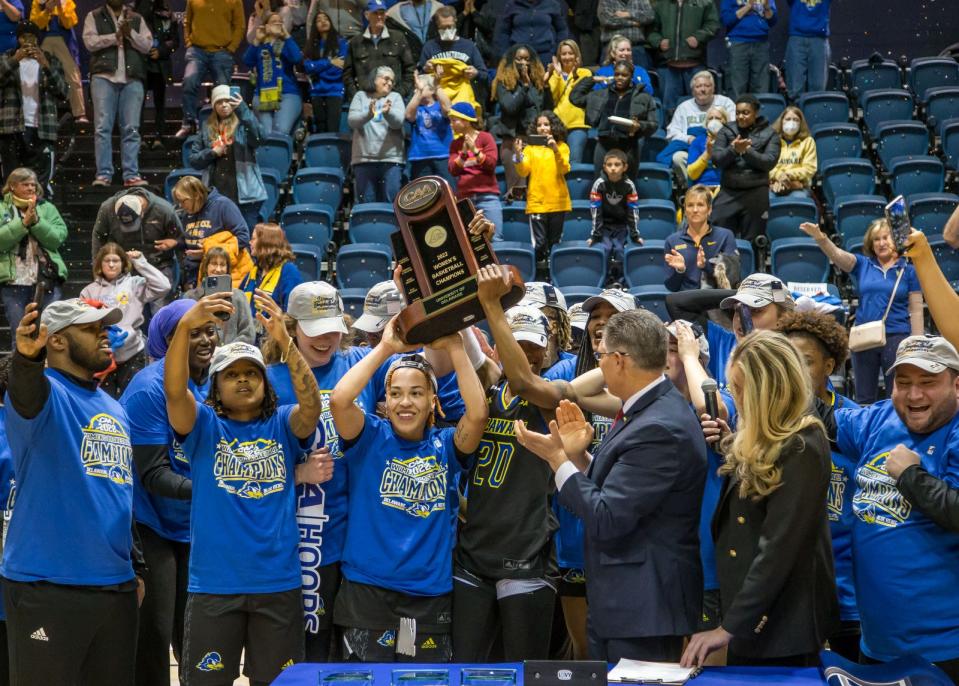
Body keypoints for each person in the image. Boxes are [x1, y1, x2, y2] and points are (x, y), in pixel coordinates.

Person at [516, 308, 706, 663]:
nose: (598, 364)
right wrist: (577, 458)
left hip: (644, 610)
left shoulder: (659, 427)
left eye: (601, 357)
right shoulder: (649, 408)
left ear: (620, 361)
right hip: (626, 603)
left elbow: (606, 515)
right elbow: (620, 491)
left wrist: (557, 460)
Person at [166, 292, 328, 686]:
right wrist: (186, 326)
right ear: (216, 387)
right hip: (214, 588)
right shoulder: (203, 427)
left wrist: (287, 345)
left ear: (265, 382)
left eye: (251, 372)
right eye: (231, 374)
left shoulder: (284, 423)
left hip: (278, 584)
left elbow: (312, 409)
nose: (242, 379)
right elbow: (174, 392)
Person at [4, 298, 143, 685]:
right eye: (92, 329)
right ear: (58, 341)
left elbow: (119, 491)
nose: (105, 335)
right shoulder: (44, 393)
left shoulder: (115, 408)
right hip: (48, 585)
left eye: (105, 327)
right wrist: (28, 361)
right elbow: (26, 393)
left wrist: (137, 566)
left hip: (115, 586)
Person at [329, 322, 487, 662]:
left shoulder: (445, 446)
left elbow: (477, 414)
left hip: (428, 596)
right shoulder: (370, 437)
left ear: (433, 401)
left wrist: (457, 348)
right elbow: (340, 400)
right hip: (367, 593)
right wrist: (385, 349)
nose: (405, 402)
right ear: (385, 401)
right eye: (396, 393)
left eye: (416, 393)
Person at [682, 330, 837, 667]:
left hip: (782, 622)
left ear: (769, 390)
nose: (736, 398)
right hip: (752, 611)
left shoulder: (803, 443)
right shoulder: (761, 436)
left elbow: (778, 548)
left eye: (741, 389)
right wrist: (732, 444)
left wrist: (729, 627)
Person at [828, 335, 959, 681]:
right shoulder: (878, 418)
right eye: (904, 383)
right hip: (876, 643)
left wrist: (911, 476)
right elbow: (819, 419)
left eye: (928, 383)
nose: (914, 395)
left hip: (945, 649)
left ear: (956, 384)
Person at [455, 276, 566, 662]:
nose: (528, 355)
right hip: (475, 550)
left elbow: (522, 379)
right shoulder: (486, 388)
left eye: (534, 347)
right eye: (517, 346)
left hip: (527, 553)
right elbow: (463, 341)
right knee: (469, 669)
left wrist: (493, 308)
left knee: (524, 672)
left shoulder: (554, 395)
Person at [119, 299, 214, 686]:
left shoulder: (218, 379)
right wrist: (219, 488)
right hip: (150, 525)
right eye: (194, 333)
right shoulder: (148, 388)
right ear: (169, 340)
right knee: (154, 638)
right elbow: (153, 474)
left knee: (196, 638)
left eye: (210, 330)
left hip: (195, 523)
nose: (207, 339)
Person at [775, 310, 861, 660]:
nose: (795, 370)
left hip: (847, 588)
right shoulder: (766, 422)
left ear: (829, 366)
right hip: (786, 586)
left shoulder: (855, 421)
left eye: (806, 361)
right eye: (788, 360)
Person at [798, 218, 923, 404]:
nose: (881, 243)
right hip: (865, 337)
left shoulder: (909, 270)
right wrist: (821, 238)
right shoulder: (864, 265)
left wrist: (917, 343)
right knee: (864, 397)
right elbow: (837, 255)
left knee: (897, 394)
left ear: (896, 239)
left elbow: (917, 309)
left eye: (886, 238)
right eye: (876, 239)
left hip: (898, 337)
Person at [81, 242, 171, 397]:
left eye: (115, 260)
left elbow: (164, 286)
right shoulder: (89, 291)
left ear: (123, 263)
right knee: (104, 400)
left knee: (132, 396)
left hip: (133, 353)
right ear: (99, 264)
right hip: (103, 355)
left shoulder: (134, 284)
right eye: (106, 260)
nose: (111, 265)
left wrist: (141, 262)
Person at [82, 0, 153, 188]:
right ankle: (104, 174)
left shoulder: (136, 18)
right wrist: (115, 37)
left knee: (131, 129)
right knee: (102, 128)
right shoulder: (94, 16)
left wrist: (130, 33)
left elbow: (147, 45)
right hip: (103, 77)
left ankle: (131, 174)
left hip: (132, 78)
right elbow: (90, 42)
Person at [0, 167, 67, 348]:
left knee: (51, 332)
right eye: (25, 184)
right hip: (14, 282)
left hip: (46, 280)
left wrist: (36, 222)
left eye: (33, 184)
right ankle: (21, 375)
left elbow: (57, 238)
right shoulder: (1, 207)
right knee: (20, 336)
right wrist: (22, 224)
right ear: (13, 186)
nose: (31, 188)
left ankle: (49, 374)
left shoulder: (47, 207)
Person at [188, 85, 268, 232]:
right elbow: (193, 160)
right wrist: (212, 152)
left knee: (246, 240)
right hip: (215, 195)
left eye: (227, 100)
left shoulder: (244, 124)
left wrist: (242, 109)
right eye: (219, 102)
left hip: (245, 195)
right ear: (213, 105)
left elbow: (260, 138)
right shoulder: (207, 127)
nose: (224, 105)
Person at [0, 22, 68, 191]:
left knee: (39, 185)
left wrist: (45, 64)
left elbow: (63, 92)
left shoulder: (51, 60)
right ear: (18, 39)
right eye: (24, 37)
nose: (28, 41)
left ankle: (37, 215)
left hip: (42, 129)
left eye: (32, 37)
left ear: (38, 39)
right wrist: (15, 60)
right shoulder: (6, 58)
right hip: (11, 128)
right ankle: (12, 216)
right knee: (10, 183)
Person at [710, 94, 780, 243]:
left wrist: (746, 151)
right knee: (718, 236)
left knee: (754, 240)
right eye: (737, 113)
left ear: (756, 113)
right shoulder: (726, 130)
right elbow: (716, 160)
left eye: (745, 113)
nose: (740, 116)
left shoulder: (770, 134)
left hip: (756, 192)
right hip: (729, 191)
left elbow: (769, 162)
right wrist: (733, 150)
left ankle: (753, 266)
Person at [570, 60, 658, 173]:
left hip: (629, 146)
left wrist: (640, 126)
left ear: (631, 76)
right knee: (600, 182)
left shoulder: (644, 97)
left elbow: (654, 124)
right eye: (617, 74)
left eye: (624, 75)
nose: (620, 77)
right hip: (604, 144)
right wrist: (591, 80)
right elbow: (575, 98)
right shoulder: (601, 94)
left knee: (627, 185)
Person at [91, 187, 183, 296]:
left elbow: (182, 238)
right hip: (124, 269)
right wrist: (98, 272)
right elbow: (98, 237)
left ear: (142, 212)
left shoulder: (164, 209)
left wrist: (175, 242)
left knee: (160, 308)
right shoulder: (107, 208)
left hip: (159, 266)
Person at [176, 0, 245, 138]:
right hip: (197, 51)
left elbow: (240, 26)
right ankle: (189, 123)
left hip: (222, 51)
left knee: (223, 90)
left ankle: (224, 127)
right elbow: (187, 22)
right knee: (189, 81)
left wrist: (231, 48)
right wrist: (189, 43)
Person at [172, 174, 253, 290]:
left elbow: (243, 237)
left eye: (184, 201)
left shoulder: (223, 205)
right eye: (179, 201)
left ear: (197, 195)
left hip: (225, 275)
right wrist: (175, 243)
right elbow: (189, 241)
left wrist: (208, 252)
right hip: (196, 275)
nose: (181, 205)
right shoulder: (186, 213)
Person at [489, 44, 549, 198]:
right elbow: (510, 107)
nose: (523, 63)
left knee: (537, 191)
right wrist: (524, 87)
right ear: (511, 61)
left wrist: (543, 85)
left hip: (534, 140)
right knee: (518, 191)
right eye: (519, 59)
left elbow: (540, 108)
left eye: (527, 59)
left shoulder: (538, 83)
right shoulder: (504, 83)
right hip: (513, 142)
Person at [514, 110, 571, 272]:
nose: (543, 128)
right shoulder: (531, 149)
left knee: (555, 243)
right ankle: (540, 276)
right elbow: (523, 171)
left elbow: (564, 169)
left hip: (558, 202)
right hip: (537, 202)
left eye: (546, 124)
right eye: (539, 125)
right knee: (539, 244)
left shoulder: (562, 147)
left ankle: (555, 276)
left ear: (553, 126)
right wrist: (517, 154)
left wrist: (555, 149)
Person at [648, 0, 722, 113]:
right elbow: (651, 29)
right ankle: (671, 129)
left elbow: (713, 24)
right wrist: (659, 41)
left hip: (696, 64)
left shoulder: (705, 2)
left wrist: (698, 37)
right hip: (669, 65)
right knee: (669, 108)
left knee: (701, 104)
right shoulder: (661, 3)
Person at [349, 65, 406, 204]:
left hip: (391, 160)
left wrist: (388, 113)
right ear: (374, 79)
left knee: (391, 205)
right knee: (366, 205)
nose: (390, 83)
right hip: (364, 160)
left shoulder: (395, 97)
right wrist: (369, 113)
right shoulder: (360, 96)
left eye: (392, 81)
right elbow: (352, 122)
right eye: (386, 79)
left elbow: (398, 122)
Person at [664, 184, 738, 292]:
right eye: (690, 205)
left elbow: (732, 277)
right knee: (671, 301)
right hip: (688, 300)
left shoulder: (725, 236)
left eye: (700, 205)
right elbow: (671, 287)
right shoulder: (672, 241)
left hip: (716, 299)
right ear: (685, 210)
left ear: (709, 209)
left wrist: (706, 265)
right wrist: (680, 270)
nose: (695, 210)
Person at [663, 71, 735, 179]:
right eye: (698, 86)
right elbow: (671, 133)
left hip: (721, 147)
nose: (703, 89)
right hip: (693, 150)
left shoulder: (726, 102)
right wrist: (689, 139)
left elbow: (734, 127)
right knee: (678, 157)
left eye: (707, 85)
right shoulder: (684, 107)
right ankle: (691, 187)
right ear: (692, 90)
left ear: (713, 88)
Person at [243, 11, 304, 135]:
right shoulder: (259, 45)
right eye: (273, 22)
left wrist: (286, 36)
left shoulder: (286, 43)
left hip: (287, 93)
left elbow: (297, 58)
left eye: (280, 22)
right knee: (266, 134)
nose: (278, 24)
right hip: (262, 95)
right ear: (265, 26)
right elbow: (247, 61)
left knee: (280, 131)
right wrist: (256, 41)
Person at [447, 102, 502, 240]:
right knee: (467, 240)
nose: (451, 124)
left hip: (488, 197)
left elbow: (491, 165)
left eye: (454, 120)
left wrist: (475, 150)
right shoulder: (455, 144)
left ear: (465, 121)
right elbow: (453, 170)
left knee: (495, 238)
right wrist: (464, 153)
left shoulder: (485, 138)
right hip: (465, 199)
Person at [588, 149, 642, 286]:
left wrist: (635, 235)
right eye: (609, 164)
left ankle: (620, 282)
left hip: (621, 226)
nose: (613, 168)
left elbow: (633, 210)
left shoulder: (629, 185)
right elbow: (595, 211)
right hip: (604, 226)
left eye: (617, 164)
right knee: (604, 249)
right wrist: (595, 235)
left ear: (625, 167)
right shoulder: (599, 184)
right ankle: (604, 282)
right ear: (604, 167)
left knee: (619, 250)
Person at [182, 246, 256, 344]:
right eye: (213, 264)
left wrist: (225, 352)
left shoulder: (239, 297)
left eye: (222, 265)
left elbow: (248, 334)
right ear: (206, 267)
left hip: (233, 357)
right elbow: (184, 332)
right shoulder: (190, 297)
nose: (218, 269)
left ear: (227, 269)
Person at [343, 0, 415, 101]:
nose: (379, 16)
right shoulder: (356, 42)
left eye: (382, 13)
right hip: (365, 101)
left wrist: (400, 93)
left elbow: (410, 68)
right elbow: (347, 74)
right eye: (375, 13)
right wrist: (357, 96)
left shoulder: (398, 38)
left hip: (393, 100)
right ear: (367, 15)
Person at [418, 7, 487, 107]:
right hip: (438, 101)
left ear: (455, 21)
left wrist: (475, 74)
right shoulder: (429, 47)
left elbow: (484, 75)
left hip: (463, 100)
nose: (447, 30)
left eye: (450, 27)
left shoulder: (469, 46)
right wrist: (425, 69)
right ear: (437, 26)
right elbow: (419, 77)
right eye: (443, 27)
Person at [30, 0, 86, 122]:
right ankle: (36, 112)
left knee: (73, 75)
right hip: (44, 40)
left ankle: (79, 113)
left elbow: (70, 23)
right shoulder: (38, 2)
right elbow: (35, 24)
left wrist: (60, 8)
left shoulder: (67, 2)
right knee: (38, 75)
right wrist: (47, 11)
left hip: (64, 40)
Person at [135, 0, 177, 149]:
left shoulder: (168, 13)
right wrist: (145, 50)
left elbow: (174, 40)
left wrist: (161, 51)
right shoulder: (135, 11)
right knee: (138, 102)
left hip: (160, 65)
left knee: (160, 102)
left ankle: (159, 137)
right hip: (141, 64)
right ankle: (138, 138)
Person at [242, 222, 303, 323]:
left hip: (274, 334)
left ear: (265, 242)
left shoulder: (289, 272)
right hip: (250, 333)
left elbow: (292, 316)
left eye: (253, 239)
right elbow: (240, 298)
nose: (249, 242)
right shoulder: (255, 270)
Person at [546, 39, 592, 165]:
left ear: (577, 55)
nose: (567, 57)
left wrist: (574, 72)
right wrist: (557, 74)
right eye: (563, 54)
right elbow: (552, 96)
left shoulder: (585, 73)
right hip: (557, 125)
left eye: (570, 53)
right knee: (555, 162)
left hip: (578, 125)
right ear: (559, 56)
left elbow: (577, 93)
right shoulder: (554, 75)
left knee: (574, 162)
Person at [303, 9, 347, 133]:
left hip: (335, 90)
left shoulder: (341, 43)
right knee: (320, 130)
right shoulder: (311, 45)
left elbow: (337, 71)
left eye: (326, 19)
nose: (323, 21)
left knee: (333, 129)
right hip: (316, 92)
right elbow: (307, 67)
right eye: (319, 20)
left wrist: (317, 69)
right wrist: (330, 62)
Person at [720, 0, 777, 98]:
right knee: (738, 87)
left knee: (761, 87)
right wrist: (748, 6)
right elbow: (726, 20)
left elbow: (773, 21)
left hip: (761, 42)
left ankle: (760, 113)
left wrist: (767, 7)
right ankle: (737, 112)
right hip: (738, 42)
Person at [405, 71, 454, 184]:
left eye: (420, 86)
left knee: (449, 191)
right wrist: (420, 91)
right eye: (415, 87)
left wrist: (437, 86)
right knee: (425, 196)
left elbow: (448, 109)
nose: (416, 89)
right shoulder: (417, 108)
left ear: (431, 90)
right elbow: (408, 115)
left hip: (443, 155)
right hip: (420, 157)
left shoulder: (439, 106)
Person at [492, 0, 568, 67]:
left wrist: (555, 52)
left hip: (544, 57)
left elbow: (562, 30)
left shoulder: (551, 4)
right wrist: (506, 54)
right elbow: (503, 32)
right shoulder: (512, 5)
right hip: (518, 58)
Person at [784, 0, 833, 102]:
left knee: (818, 89)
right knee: (794, 88)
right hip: (797, 37)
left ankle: (815, 115)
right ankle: (795, 116)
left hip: (819, 38)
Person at [769, 106, 816, 198]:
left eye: (796, 120)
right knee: (768, 199)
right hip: (775, 183)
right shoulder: (772, 140)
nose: (791, 122)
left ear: (801, 123)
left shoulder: (808, 141)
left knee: (798, 198)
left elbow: (809, 169)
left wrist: (788, 175)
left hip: (799, 186)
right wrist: (779, 176)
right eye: (788, 119)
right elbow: (766, 165)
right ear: (782, 121)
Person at [597, 0, 654, 69]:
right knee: (608, 76)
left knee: (640, 77)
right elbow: (607, 20)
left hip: (636, 48)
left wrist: (629, 14)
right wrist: (633, 23)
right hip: (612, 49)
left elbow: (650, 16)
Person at [351, 280, 404, 348]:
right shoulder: (364, 353)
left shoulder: (420, 353)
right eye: (367, 324)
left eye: (378, 327)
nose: (369, 333)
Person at [685, 107, 727, 191]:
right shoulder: (698, 141)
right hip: (702, 188)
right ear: (706, 122)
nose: (714, 121)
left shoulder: (732, 140)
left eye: (718, 118)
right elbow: (692, 174)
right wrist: (707, 153)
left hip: (725, 187)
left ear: (725, 121)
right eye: (711, 118)